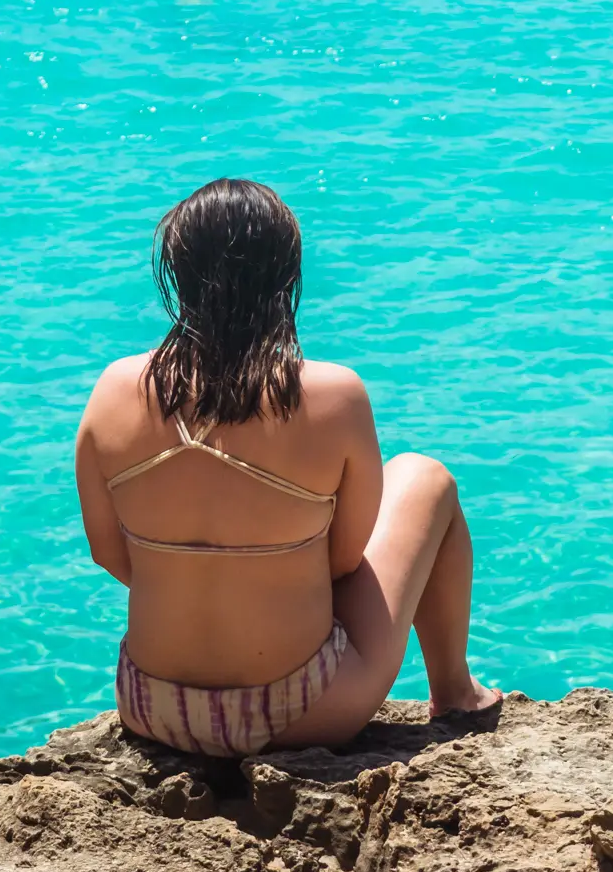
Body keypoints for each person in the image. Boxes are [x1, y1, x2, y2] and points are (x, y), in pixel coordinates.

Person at [74, 179, 499, 757]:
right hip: (300, 713)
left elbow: (108, 554)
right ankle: (455, 693)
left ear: (177, 275)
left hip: (151, 706)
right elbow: (345, 560)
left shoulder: (113, 388)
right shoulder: (334, 394)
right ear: (285, 278)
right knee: (426, 476)